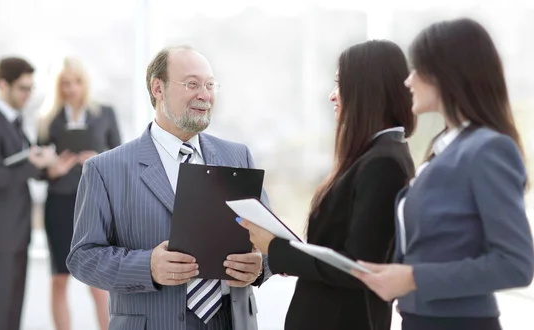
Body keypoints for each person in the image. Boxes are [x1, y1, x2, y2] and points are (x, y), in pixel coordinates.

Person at [65, 45, 271, 330]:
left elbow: (271, 242)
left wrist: (260, 265)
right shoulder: (106, 169)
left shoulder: (238, 156)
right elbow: (82, 258)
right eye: (192, 84)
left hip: (229, 322)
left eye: (210, 85)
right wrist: (147, 266)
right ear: (158, 88)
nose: (204, 95)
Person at [353, 18, 534, 330]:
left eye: (417, 70)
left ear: (446, 75)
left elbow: (516, 264)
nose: (408, 81)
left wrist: (412, 278)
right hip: (420, 320)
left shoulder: (488, 149)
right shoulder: (445, 147)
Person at [238, 40, 416, 330]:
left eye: (340, 84)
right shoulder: (378, 155)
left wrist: (278, 250)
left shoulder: (383, 163)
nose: (333, 96)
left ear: (366, 89)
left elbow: (357, 268)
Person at [0, 57, 57, 330]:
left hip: (19, 231)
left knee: (13, 314)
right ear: (2, 84)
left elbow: (26, 166)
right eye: (22, 88)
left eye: (31, 88)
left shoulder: (16, 121)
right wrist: (34, 164)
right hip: (0, 232)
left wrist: (50, 166)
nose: (28, 95)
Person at [37, 56, 121, 330]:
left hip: (94, 202)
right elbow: (40, 164)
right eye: (65, 83)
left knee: (98, 281)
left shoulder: (105, 113)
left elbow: (121, 159)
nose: (71, 88)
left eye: (76, 82)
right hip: (59, 202)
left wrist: (98, 159)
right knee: (59, 277)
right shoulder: (47, 119)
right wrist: (52, 169)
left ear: (85, 83)